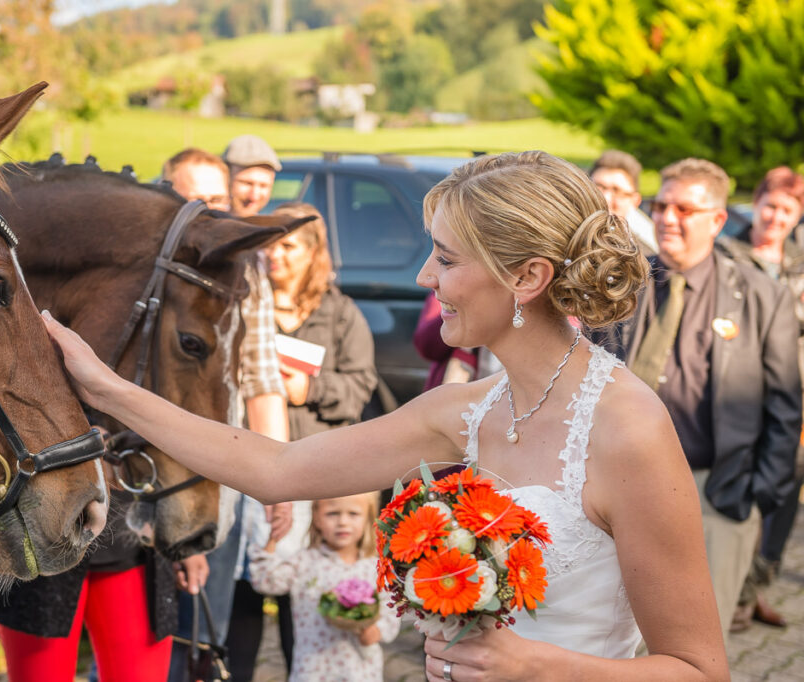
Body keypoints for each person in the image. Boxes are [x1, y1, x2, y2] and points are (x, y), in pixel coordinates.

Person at [42, 150, 730, 680]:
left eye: (447, 259)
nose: (426, 278)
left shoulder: (628, 430)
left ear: (527, 277)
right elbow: (277, 467)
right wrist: (105, 388)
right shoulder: (465, 411)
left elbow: (699, 669)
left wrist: (538, 667)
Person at [596, 158, 801, 639]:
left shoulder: (760, 297)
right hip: (618, 488)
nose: (668, 217)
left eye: (685, 209)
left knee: (695, 649)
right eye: (661, 205)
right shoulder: (623, 283)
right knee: (619, 643)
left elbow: (784, 410)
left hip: (716, 493)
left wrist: (753, 497)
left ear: (718, 220)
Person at [223, 202, 378, 677]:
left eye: (287, 245)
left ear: (313, 252)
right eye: (268, 244)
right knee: (246, 593)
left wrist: (307, 389)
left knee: (302, 600)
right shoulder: (245, 307)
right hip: (249, 468)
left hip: (314, 473)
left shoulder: (339, 313)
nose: (275, 255)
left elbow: (360, 387)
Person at [160, 146, 292, 682]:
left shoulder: (247, 268)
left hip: (223, 475)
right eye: (192, 199)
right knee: (150, 637)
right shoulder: (143, 270)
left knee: (202, 637)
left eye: (216, 199)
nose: (206, 211)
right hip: (147, 476)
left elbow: (261, 376)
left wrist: (280, 477)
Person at [716, 166, 804, 630]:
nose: (776, 217)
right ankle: (730, 593)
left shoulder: (799, 262)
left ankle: (755, 585)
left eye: (788, 211)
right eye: (770, 206)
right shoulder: (729, 252)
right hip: (740, 390)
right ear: (758, 203)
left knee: (784, 485)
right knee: (740, 484)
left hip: (789, 390)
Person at [248, 493, 398, 681]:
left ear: (368, 517)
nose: (343, 522)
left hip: (359, 670)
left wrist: (376, 631)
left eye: (353, 514)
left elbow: (390, 610)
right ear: (316, 517)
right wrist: (272, 540)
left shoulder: (374, 568)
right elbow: (265, 582)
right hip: (313, 670)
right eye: (332, 514)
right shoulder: (304, 561)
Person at [590, 150, 657, 254]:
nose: (605, 198)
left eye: (616, 191)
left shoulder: (643, 254)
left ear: (635, 201)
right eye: (598, 187)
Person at [223, 134, 281, 217]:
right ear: (224, 178)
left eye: (263, 186)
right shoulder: (203, 225)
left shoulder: (268, 227)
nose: (254, 197)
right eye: (247, 183)